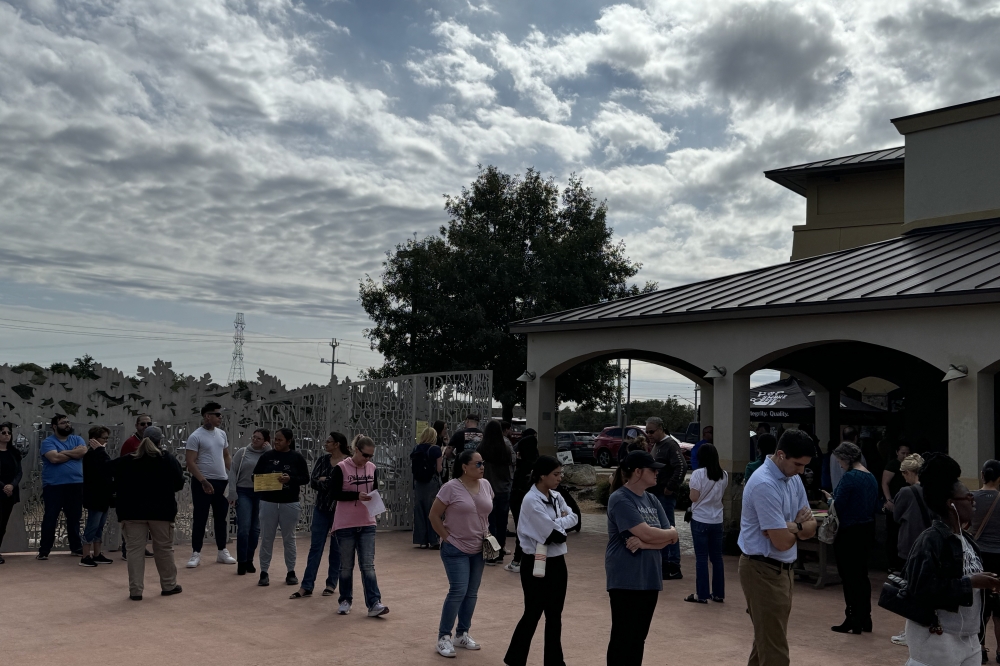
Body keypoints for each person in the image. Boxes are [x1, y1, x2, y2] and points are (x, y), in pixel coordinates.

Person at [902, 453, 1000, 665]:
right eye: (968, 497)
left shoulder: (968, 541)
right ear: (950, 504)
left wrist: (987, 584)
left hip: (970, 638)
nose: (973, 500)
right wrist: (970, 583)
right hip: (937, 637)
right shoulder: (931, 540)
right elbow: (920, 590)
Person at [738, 429, 818, 666]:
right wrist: (799, 528)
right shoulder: (764, 483)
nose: (801, 470)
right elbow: (781, 542)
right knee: (775, 650)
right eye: (798, 464)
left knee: (766, 641)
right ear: (781, 455)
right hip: (762, 569)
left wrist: (792, 526)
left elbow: (811, 527)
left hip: (782, 570)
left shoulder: (792, 479)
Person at [605, 451, 679, 666]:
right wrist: (661, 536)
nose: (657, 473)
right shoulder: (620, 498)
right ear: (637, 472)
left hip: (649, 578)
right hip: (626, 579)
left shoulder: (652, 499)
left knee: (638, 639)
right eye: (652, 469)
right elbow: (648, 532)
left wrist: (648, 542)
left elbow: (671, 537)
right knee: (623, 638)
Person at [504, 455, 578, 666]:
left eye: (560, 474)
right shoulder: (530, 500)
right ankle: (515, 659)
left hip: (557, 562)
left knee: (555, 615)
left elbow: (574, 518)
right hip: (535, 560)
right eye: (555, 474)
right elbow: (556, 534)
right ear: (542, 475)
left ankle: (554, 662)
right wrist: (559, 524)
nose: (559, 478)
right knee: (533, 612)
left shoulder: (556, 496)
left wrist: (555, 522)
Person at [430, 449, 494, 658]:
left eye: (482, 462)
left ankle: (462, 633)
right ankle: (443, 637)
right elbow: (434, 515)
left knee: (472, 592)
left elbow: (485, 512)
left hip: (479, 548)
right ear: (464, 467)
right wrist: (447, 538)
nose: (482, 466)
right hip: (455, 548)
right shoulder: (450, 488)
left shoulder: (485, 485)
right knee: (458, 590)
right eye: (477, 463)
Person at [110, 426, 185, 600]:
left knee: (134, 551)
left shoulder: (128, 460)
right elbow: (179, 483)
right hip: (162, 511)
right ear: (160, 440)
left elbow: (108, 471)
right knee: (164, 549)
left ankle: (135, 591)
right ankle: (168, 585)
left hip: (131, 511)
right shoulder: (167, 459)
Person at [820, 442, 878, 634]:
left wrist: (829, 499)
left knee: (849, 576)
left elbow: (838, 505)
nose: (839, 465)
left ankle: (852, 618)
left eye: (840, 461)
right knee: (862, 576)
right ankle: (866, 618)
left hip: (849, 531)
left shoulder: (850, 477)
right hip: (867, 529)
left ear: (846, 459)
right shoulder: (871, 477)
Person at [330, 434, 389, 617]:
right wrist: (356, 496)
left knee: (368, 565)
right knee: (346, 565)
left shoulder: (372, 468)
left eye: (371, 456)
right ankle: (345, 599)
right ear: (356, 450)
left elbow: (374, 491)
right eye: (365, 455)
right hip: (345, 523)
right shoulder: (341, 468)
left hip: (367, 522)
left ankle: (374, 603)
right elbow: (334, 493)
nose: (367, 459)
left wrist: (375, 502)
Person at [292, 431, 350, 599]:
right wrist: (328, 484)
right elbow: (314, 482)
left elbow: (346, 485)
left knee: (336, 549)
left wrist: (327, 481)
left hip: (340, 510)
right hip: (322, 508)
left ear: (337, 444)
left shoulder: (348, 461)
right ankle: (307, 585)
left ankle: (331, 584)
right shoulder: (323, 460)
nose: (325, 444)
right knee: (315, 547)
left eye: (328, 441)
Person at [252, 427, 309, 587]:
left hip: (290, 502)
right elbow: (255, 476)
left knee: (289, 538)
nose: (276, 442)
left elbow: (305, 478)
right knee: (266, 538)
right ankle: (264, 572)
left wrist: (290, 479)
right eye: (275, 439)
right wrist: (267, 480)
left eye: (280, 440)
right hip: (268, 502)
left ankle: (291, 572)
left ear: (289, 441)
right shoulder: (267, 456)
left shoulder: (296, 457)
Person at [184, 402, 236, 568]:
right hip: (202, 482)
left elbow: (226, 456)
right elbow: (190, 462)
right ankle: (196, 553)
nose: (221, 417)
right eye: (217, 414)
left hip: (221, 481)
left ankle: (222, 551)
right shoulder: (196, 436)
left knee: (221, 518)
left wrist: (234, 474)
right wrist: (203, 481)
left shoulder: (221, 434)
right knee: (200, 517)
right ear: (207, 416)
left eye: (221, 415)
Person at [889, 453, 928, 646]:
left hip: (910, 543)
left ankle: (910, 632)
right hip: (929, 544)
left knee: (909, 589)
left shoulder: (906, 492)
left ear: (909, 473)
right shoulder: (932, 490)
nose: (903, 477)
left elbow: (897, 515)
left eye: (904, 473)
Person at [37, 414, 87, 560]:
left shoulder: (77, 439)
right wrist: (73, 453)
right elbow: (54, 458)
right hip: (54, 486)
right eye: (63, 422)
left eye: (68, 422)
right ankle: (44, 551)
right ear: (54, 426)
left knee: (74, 518)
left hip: (75, 484)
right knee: (51, 518)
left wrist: (63, 452)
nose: (67, 424)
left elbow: (83, 451)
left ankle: (76, 547)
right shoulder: (48, 442)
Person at [685, 442, 728, 604]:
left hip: (700, 519)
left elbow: (694, 498)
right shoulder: (724, 474)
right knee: (717, 558)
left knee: (701, 558)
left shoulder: (698, 474)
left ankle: (701, 594)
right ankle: (718, 593)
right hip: (717, 519)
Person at [646, 416, 687, 579]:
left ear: (661, 429)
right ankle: (664, 564)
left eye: (651, 431)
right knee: (660, 528)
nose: (649, 434)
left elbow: (681, 466)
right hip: (656, 494)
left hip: (664, 496)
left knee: (668, 528)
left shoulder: (670, 445)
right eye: (646, 431)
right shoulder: (656, 445)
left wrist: (670, 487)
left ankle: (673, 565)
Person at [227, 427, 271, 575]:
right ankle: (241, 561)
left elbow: (272, 466)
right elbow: (233, 471)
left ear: (265, 441)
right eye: (253, 437)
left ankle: (249, 560)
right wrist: (232, 493)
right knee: (244, 528)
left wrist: (268, 450)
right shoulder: (243, 452)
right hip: (243, 491)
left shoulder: (267, 454)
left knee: (255, 529)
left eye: (259, 438)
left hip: (261, 492)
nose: (255, 440)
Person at [972, 459, 1000, 660]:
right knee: (999, 607)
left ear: (982, 475)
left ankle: (980, 650)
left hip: (979, 556)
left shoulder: (971, 498)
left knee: (980, 606)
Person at [118, 413, 155, 560]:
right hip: (132, 487)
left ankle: (142, 546)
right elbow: (123, 464)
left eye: (149, 424)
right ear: (136, 426)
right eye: (143, 424)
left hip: (147, 487)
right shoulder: (130, 443)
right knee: (131, 520)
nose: (145, 426)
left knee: (145, 520)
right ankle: (126, 550)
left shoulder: (152, 442)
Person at [478, 420, 514, 566]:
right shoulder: (505, 447)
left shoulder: (482, 447)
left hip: (487, 489)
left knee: (489, 523)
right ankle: (500, 552)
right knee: (502, 521)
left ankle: (491, 554)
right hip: (503, 488)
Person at [80, 426, 114, 567]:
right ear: (94, 439)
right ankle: (85, 555)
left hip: (104, 495)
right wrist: (101, 450)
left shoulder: (101, 453)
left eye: (107, 438)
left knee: (100, 526)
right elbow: (104, 468)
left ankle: (97, 553)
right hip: (95, 496)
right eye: (103, 438)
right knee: (92, 526)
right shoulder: (91, 455)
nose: (106, 441)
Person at [506, 429, 538, 574]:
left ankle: (517, 560)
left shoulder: (520, 467)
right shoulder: (537, 467)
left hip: (519, 499)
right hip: (533, 504)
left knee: (522, 529)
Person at [882, 440, 912, 572]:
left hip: (907, 504)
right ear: (897, 453)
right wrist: (889, 500)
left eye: (907, 453)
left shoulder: (910, 467)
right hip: (895, 502)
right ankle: (892, 563)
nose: (905, 456)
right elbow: (885, 483)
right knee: (893, 534)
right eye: (902, 453)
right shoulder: (893, 465)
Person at [411, 426, 443, 549]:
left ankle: (421, 540)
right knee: (433, 510)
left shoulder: (416, 449)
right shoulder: (435, 449)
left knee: (419, 510)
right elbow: (439, 469)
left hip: (419, 483)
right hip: (431, 482)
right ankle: (433, 539)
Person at [0, 422, 23, 565]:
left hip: (10, 493)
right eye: (3, 432)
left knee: (2, 524)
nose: (7, 435)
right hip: (1, 490)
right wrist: (3, 486)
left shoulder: (14, 452)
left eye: (9, 433)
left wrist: (12, 485)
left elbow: (19, 472)